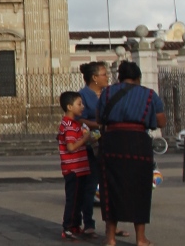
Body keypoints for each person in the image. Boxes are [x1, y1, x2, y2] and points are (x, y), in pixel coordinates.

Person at [97, 61, 165, 246]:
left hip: (112, 143)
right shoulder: (149, 95)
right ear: (138, 77)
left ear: (119, 77)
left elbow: (100, 118)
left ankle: (110, 238)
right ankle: (141, 239)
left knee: (110, 189)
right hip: (138, 144)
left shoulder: (107, 93)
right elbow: (161, 122)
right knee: (140, 190)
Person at [78, 61, 109, 238]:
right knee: (90, 185)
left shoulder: (108, 94)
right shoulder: (83, 96)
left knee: (109, 187)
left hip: (108, 143)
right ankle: (88, 223)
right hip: (91, 146)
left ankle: (111, 224)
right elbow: (79, 119)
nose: (107, 77)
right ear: (95, 78)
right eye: (104, 74)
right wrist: (98, 125)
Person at [58, 91, 92, 240]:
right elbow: (71, 147)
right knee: (73, 199)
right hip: (73, 169)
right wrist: (84, 139)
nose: (82, 106)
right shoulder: (69, 125)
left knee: (79, 199)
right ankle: (68, 227)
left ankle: (75, 225)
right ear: (69, 107)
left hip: (80, 168)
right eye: (79, 104)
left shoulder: (76, 124)